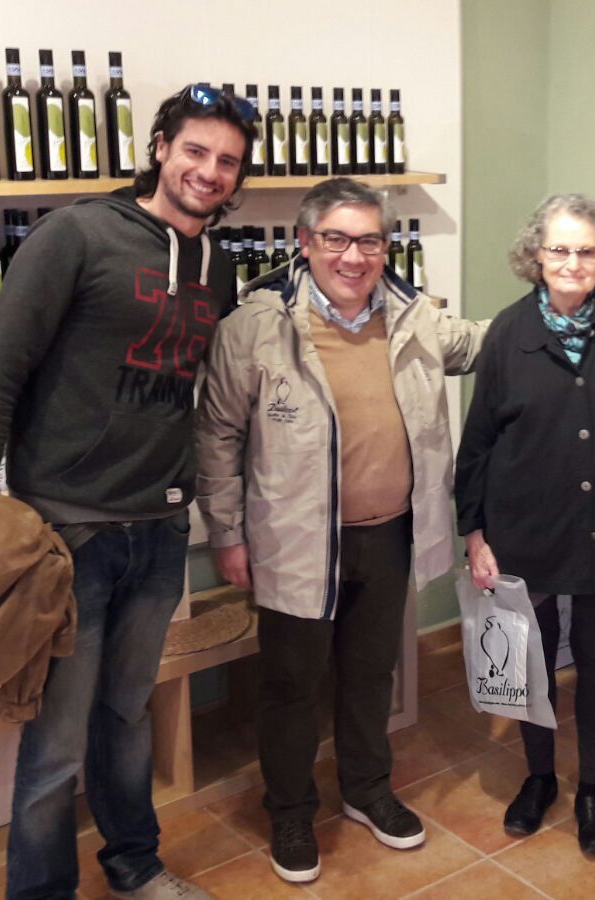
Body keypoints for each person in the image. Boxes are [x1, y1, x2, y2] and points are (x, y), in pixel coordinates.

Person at [0, 84, 257, 900]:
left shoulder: (218, 267)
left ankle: (134, 864)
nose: (209, 171)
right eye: (195, 150)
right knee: (55, 743)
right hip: (69, 534)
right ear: (160, 148)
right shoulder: (77, 235)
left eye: (227, 161)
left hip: (159, 528)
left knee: (125, 715)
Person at [196, 177, 488, 885]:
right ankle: (290, 810)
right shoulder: (256, 327)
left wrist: (567, 297)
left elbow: (488, 343)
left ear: (386, 247)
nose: (353, 257)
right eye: (336, 239)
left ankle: (366, 788)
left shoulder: (415, 317)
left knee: (370, 673)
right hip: (296, 542)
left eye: (369, 241)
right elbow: (217, 434)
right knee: (291, 684)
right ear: (305, 242)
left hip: (388, 534)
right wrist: (227, 534)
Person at [455, 194, 595, 855]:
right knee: (532, 660)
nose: (573, 262)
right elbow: (479, 439)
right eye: (559, 249)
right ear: (537, 255)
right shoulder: (510, 331)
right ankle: (540, 777)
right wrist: (474, 532)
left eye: (586, 250)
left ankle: (592, 789)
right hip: (527, 526)